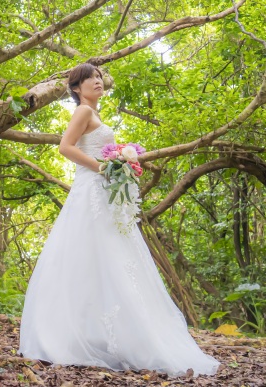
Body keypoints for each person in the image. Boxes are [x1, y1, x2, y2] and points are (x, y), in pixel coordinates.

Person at [19, 63, 219, 377]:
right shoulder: (83, 112)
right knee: (95, 256)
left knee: (109, 259)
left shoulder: (95, 115)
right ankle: (77, 335)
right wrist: (104, 166)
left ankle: (102, 333)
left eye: (98, 77)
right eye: (89, 79)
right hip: (91, 191)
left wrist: (120, 160)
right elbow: (65, 148)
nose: (96, 81)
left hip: (103, 193)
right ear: (76, 88)